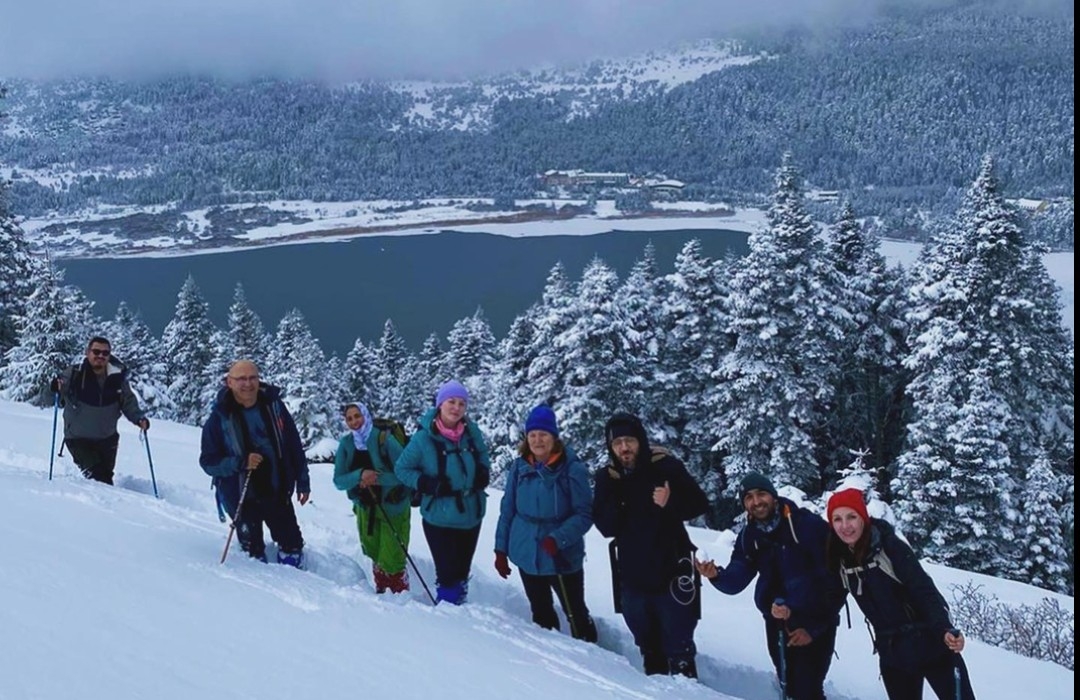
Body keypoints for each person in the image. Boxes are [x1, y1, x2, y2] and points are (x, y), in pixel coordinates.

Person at [695, 472, 840, 700]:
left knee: (808, 688)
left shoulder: (806, 526)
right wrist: (716, 576)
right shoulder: (749, 536)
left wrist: (813, 627)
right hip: (776, 621)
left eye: (761, 494)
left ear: (773, 496)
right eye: (749, 497)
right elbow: (737, 577)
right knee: (788, 683)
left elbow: (834, 581)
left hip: (813, 618)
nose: (756, 502)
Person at [826, 488, 977, 700]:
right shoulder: (839, 559)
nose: (845, 526)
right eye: (837, 519)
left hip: (933, 646)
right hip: (893, 655)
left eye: (851, 516)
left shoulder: (889, 547)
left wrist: (944, 628)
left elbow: (924, 590)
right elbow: (827, 600)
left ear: (863, 518)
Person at [592, 412, 709, 678]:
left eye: (629, 440)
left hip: (673, 572)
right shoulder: (608, 478)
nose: (624, 448)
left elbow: (699, 503)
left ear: (640, 440)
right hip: (633, 577)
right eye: (617, 442)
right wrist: (617, 505)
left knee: (679, 651)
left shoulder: (665, 466)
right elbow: (605, 527)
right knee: (649, 651)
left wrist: (671, 502)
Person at [494, 404, 597, 641]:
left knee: (576, 613)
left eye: (543, 434)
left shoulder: (572, 468)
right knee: (540, 611)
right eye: (532, 435)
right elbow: (507, 509)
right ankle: (550, 662)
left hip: (561, 555)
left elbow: (584, 513)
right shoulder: (519, 467)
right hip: (526, 550)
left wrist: (558, 538)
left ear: (554, 437)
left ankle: (592, 658)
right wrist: (501, 548)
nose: (538, 440)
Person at [199, 360, 310, 567]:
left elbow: (293, 444)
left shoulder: (274, 406)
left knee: (292, 544)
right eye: (241, 379)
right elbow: (208, 462)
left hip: (277, 489)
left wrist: (303, 481)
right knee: (252, 552)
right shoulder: (219, 418)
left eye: (253, 378)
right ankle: (259, 590)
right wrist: (240, 463)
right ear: (229, 382)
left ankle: (294, 576)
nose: (248, 384)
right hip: (240, 495)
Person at [394, 380, 490, 605]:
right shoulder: (423, 438)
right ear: (440, 404)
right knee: (447, 575)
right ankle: (448, 617)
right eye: (451, 402)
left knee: (462, 572)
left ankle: (459, 604)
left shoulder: (471, 432)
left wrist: (483, 471)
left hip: (471, 516)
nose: (456, 408)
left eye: (461, 403)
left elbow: (483, 454)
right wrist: (428, 484)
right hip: (439, 519)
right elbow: (402, 468)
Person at [333, 401, 412, 593]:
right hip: (365, 508)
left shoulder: (384, 440)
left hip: (393, 507)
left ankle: (399, 595)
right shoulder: (346, 444)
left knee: (392, 557)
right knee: (374, 552)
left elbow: (406, 473)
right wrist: (359, 475)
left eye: (357, 416)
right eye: (349, 418)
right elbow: (338, 481)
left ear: (366, 415)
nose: (354, 422)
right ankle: (382, 591)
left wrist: (377, 479)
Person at [48, 336, 150, 485]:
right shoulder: (75, 373)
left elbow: (128, 402)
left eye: (105, 353)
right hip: (78, 439)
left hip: (107, 440)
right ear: (87, 352)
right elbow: (49, 397)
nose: (100, 356)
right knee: (101, 479)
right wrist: (53, 388)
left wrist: (139, 419)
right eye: (96, 352)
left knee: (105, 477)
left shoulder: (117, 378)